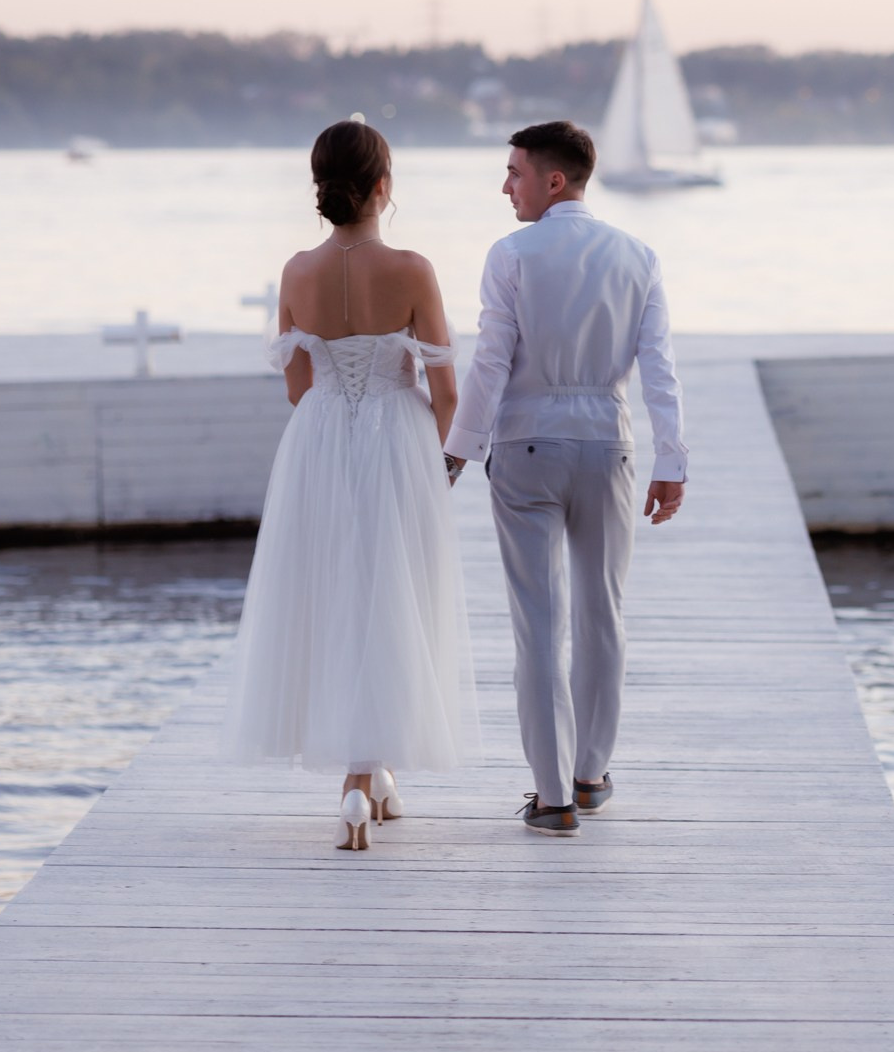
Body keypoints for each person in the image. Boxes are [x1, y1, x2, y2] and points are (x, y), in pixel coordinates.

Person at [222, 119, 478, 848]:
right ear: (382, 187)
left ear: (321, 186)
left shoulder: (296, 271)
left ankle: (368, 778)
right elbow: (448, 392)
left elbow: (297, 386)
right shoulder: (412, 268)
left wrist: (336, 419)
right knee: (395, 597)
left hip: (319, 442)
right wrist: (445, 465)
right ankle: (361, 779)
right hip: (398, 438)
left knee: (337, 595)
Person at [445, 120, 686, 835]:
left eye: (515, 171)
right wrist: (671, 462)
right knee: (602, 612)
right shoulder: (638, 255)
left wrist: (458, 450)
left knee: (538, 623)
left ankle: (550, 799)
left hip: (524, 449)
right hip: (606, 445)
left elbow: (491, 361)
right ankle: (590, 775)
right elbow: (660, 371)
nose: (505, 185)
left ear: (554, 179)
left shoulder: (512, 254)